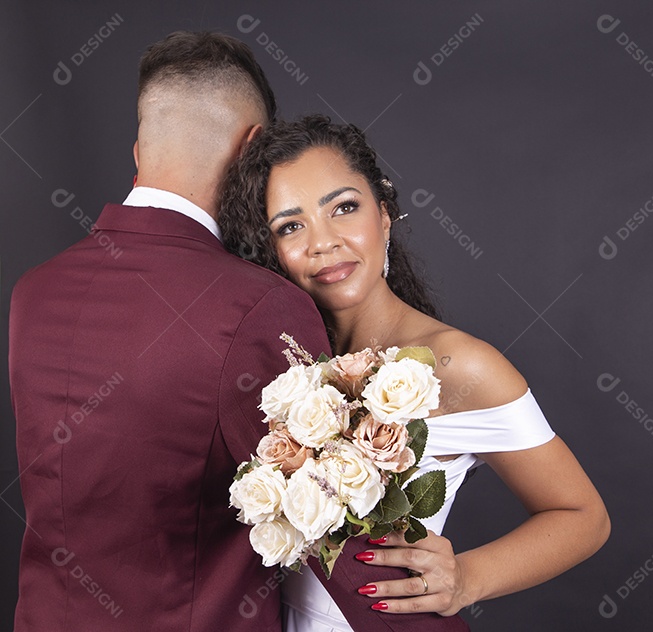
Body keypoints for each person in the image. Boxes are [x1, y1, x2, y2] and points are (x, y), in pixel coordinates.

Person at [8, 32, 462, 631]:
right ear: (254, 147)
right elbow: (332, 520)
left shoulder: (32, 292)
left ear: (140, 152)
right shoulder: (259, 306)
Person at [218, 114, 611, 627]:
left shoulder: (458, 365)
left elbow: (584, 518)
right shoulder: (282, 370)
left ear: (384, 214)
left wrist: (467, 578)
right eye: (290, 226)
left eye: (344, 208)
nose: (324, 241)